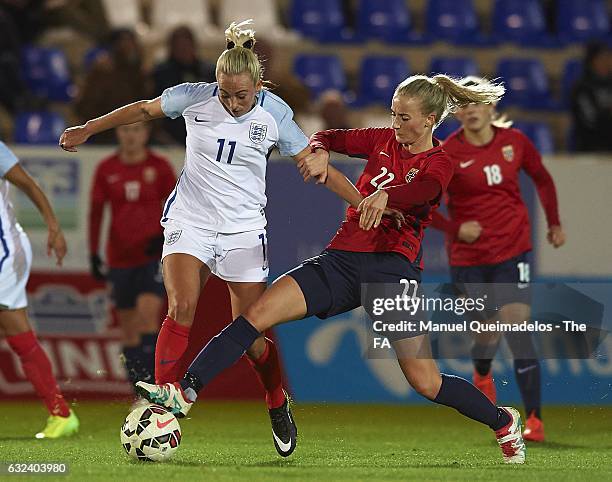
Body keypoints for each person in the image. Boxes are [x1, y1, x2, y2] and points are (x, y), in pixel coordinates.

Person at [134, 74, 528, 464]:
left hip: (392, 271)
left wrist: (387, 194)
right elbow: (328, 137)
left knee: (425, 381)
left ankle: (501, 421)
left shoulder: (440, 161)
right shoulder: (381, 140)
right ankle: (184, 393)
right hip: (340, 260)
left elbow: (427, 191)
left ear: (429, 120)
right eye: (393, 114)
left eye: (405, 118)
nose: (395, 124)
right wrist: (320, 148)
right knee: (254, 317)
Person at [59, 19, 344, 458]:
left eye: (241, 95)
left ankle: (275, 399)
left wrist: (360, 197)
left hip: (244, 229)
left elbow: (314, 164)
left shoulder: (276, 115)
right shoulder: (194, 97)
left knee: (250, 335)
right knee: (181, 306)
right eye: (224, 92)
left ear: (259, 85)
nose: (231, 102)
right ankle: (162, 407)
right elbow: (140, 110)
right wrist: (89, 128)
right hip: (189, 219)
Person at [430, 77, 566, 443]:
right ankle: (482, 371)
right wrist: (457, 228)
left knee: (518, 328)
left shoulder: (515, 143)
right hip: (469, 257)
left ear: (491, 106)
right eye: (463, 103)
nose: (471, 109)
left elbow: (543, 179)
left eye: (478, 102)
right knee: (486, 330)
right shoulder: (446, 153)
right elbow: (428, 205)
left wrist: (553, 223)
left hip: (513, 249)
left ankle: (535, 419)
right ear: (455, 112)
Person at [89, 121, 176, 399]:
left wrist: (165, 237)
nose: (131, 135)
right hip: (119, 259)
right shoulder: (107, 169)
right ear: (118, 133)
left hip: (151, 256)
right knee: (128, 331)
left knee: (148, 317)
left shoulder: (160, 166)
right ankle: (138, 394)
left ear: (146, 134)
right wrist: (93, 253)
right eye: (126, 130)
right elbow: (96, 212)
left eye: (136, 130)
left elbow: (178, 206)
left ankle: (152, 392)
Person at [0, 141, 78, 439]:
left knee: (18, 332)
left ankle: (61, 414)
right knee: (19, 336)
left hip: (4, 254)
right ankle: (61, 414)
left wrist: (53, 226)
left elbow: (29, 185)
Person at [75, 28, 151, 144]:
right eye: (124, 42)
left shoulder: (140, 74)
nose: (128, 47)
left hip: (137, 130)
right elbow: (84, 107)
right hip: (104, 132)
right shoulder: (102, 72)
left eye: (131, 42)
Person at [153, 25, 216, 144]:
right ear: (171, 48)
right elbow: (153, 106)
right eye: (178, 46)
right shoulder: (161, 73)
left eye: (186, 45)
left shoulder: (209, 71)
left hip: (205, 136)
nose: (183, 49)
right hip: (169, 138)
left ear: (194, 46)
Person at [570, 42, 612, 152]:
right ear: (591, 61)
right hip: (591, 150)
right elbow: (590, 121)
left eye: (609, 58)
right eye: (601, 59)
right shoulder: (582, 87)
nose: (606, 63)